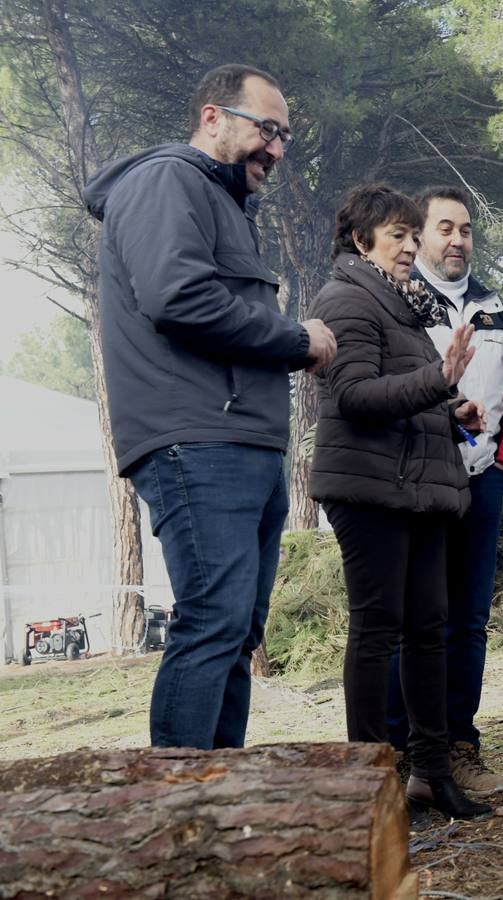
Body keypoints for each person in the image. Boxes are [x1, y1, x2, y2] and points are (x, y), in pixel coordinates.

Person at [83, 64, 336, 749]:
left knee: (238, 628)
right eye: (268, 129)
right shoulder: (167, 181)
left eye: (285, 136)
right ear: (212, 117)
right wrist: (295, 339)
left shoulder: (225, 204)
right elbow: (179, 299)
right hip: (195, 441)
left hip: (244, 444)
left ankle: (219, 807)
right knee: (214, 619)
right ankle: (176, 808)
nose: (277, 150)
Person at [309, 183, 491, 821]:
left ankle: (431, 774)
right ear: (362, 242)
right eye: (399, 237)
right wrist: (436, 380)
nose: (412, 247)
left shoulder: (402, 306)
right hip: (370, 490)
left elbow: (405, 395)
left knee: (429, 632)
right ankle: (371, 783)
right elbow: (356, 396)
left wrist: (451, 410)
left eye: (416, 237)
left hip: (416, 487)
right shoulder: (346, 299)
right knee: (379, 629)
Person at [385, 185, 503, 795]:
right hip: (420, 484)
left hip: (482, 485)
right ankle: (399, 753)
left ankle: (459, 746)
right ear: (419, 236)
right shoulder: (396, 299)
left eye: (466, 229)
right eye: (444, 228)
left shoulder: (494, 307)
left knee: (468, 623)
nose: (457, 240)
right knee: (413, 621)